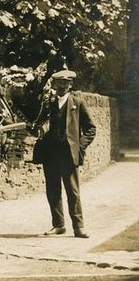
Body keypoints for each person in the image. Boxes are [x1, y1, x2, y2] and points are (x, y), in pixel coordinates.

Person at [32, 70, 96, 238]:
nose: (62, 86)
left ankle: (79, 227)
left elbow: (91, 129)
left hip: (68, 154)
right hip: (50, 153)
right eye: (59, 83)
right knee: (53, 190)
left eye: (65, 83)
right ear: (55, 84)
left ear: (70, 85)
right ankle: (58, 225)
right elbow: (38, 123)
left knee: (73, 191)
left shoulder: (78, 103)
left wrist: (79, 147)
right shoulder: (48, 103)